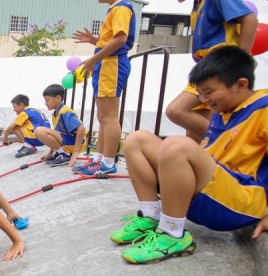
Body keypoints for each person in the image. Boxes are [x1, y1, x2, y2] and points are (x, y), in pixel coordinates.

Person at [110, 47, 268, 263]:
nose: (204, 99)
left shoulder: (264, 107)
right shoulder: (223, 111)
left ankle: (172, 234)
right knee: (137, 140)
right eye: (200, 93)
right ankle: (150, 215)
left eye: (209, 92)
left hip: (238, 202)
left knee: (177, 145)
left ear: (241, 84)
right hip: (210, 191)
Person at [162, 0, 258, 143]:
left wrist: (242, 60)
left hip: (220, 67)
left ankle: (228, 140)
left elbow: (249, 18)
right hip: (204, 70)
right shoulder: (197, 5)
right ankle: (203, 165)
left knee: (176, 111)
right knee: (193, 134)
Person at [71, 0, 135, 175]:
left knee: (109, 117)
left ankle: (108, 162)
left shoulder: (121, 8)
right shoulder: (115, 8)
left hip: (112, 64)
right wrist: (95, 41)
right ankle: (98, 159)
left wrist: (93, 59)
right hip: (107, 63)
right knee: (102, 117)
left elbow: (121, 40)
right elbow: (112, 40)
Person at [34, 84, 87, 168]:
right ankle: (60, 153)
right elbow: (56, 134)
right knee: (44, 131)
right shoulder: (56, 113)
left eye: (47, 100)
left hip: (75, 143)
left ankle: (64, 155)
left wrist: (76, 152)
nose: (45, 103)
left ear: (58, 98)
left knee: (39, 131)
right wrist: (50, 152)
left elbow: (81, 128)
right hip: (68, 141)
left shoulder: (65, 112)